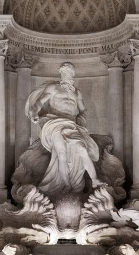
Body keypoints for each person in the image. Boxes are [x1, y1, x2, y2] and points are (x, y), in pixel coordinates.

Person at [24, 62, 104, 198]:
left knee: (82, 149)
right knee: (61, 154)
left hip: (71, 125)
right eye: (64, 73)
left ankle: (95, 179)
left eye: (69, 73)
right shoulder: (53, 88)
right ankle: (66, 184)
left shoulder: (77, 93)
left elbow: (83, 109)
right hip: (55, 123)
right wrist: (35, 112)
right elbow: (39, 102)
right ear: (61, 74)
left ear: (73, 75)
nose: (67, 75)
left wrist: (81, 119)